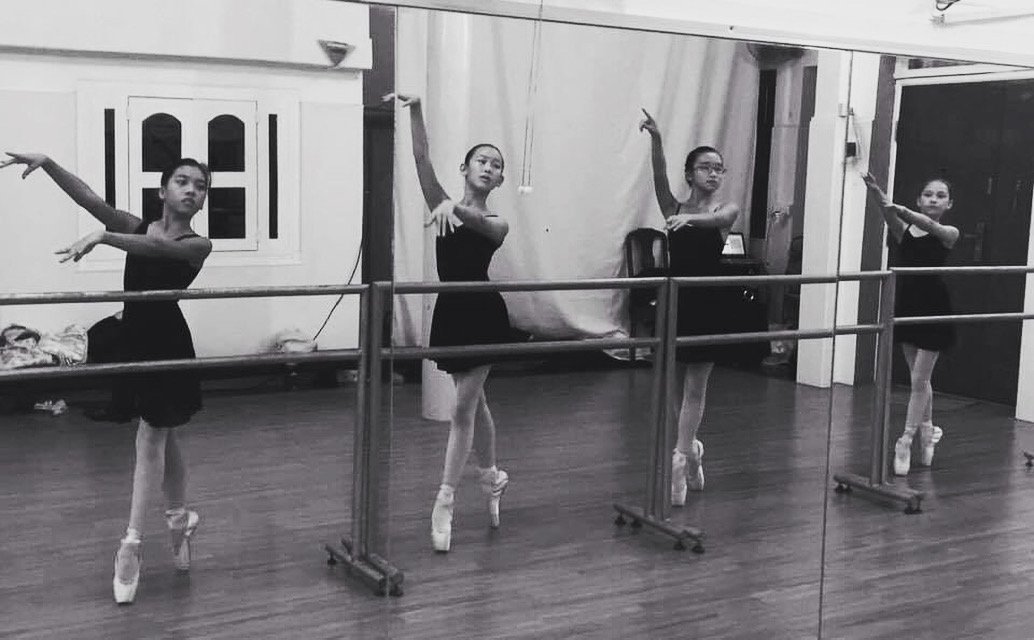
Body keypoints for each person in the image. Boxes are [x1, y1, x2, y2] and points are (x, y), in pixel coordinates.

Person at [1, 152, 213, 603]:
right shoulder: (136, 226)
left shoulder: (198, 245)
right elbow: (90, 198)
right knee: (164, 432)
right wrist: (50, 164)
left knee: (149, 438)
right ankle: (179, 519)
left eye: (200, 185)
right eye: (182, 181)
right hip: (134, 337)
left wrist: (104, 236)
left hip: (167, 343)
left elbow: (160, 251)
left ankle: (131, 545)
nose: (191, 189)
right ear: (163, 191)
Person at [386, 93, 512, 553]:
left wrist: (452, 210)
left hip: (483, 313)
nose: (488, 167)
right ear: (465, 169)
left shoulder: (495, 222)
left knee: (461, 409)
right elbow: (420, 157)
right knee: (475, 404)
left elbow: (479, 225)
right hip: (451, 312)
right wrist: (418, 108)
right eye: (481, 160)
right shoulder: (444, 202)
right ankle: (493, 476)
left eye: (496, 165)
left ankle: (445, 499)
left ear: (498, 180)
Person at [639, 109, 742, 506]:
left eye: (719, 169)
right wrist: (657, 138)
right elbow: (658, 177)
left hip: (707, 304)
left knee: (696, 386)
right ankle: (690, 451)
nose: (714, 174)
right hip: (675, 301)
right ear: (691, 174)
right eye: (705, 168)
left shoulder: (721, 212)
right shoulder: (674, 208)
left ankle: (680, 460)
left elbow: (719, 218)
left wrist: (690, 222)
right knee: (671, 382)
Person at [862, 173, 958, 475]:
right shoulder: (904, 231)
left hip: (934, 306)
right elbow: (886, 211)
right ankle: (928, 430)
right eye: (928, 194)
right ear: (920, 198)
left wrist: (901, 209)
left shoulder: (949, 231)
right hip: (907, 304)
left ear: (949, 203)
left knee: (919, 380)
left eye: (940, 195)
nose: (933, 199)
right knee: (920, 379)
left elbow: (928, 226)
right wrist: (876, 191)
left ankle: (904, 440)